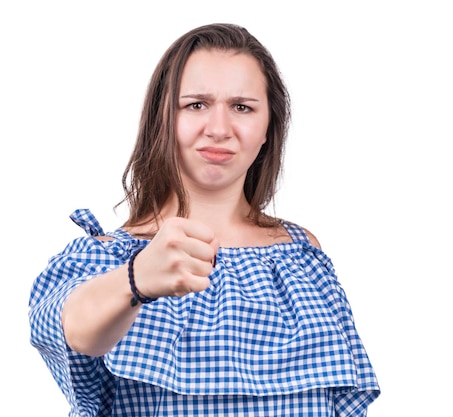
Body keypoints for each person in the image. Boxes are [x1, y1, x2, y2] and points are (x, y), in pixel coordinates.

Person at [29, 23, 380, 416]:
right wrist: (137, 277)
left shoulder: (301, 252)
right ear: (163, 118)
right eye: (196, 104)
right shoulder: (109, 257)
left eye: (242, 107)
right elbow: (70, 329)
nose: (218, 129)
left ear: (268, 127)